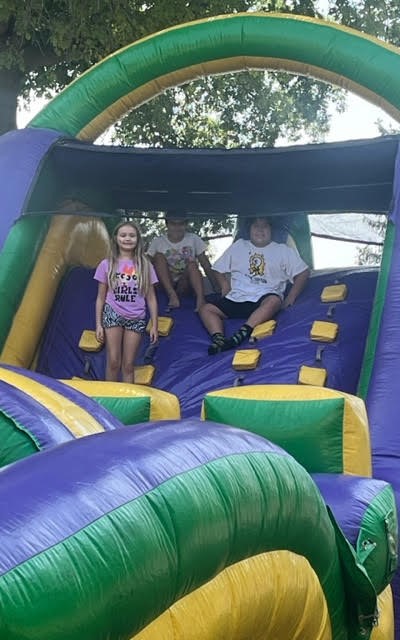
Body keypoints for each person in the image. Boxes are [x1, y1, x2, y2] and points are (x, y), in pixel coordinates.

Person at [199, 217, 310, 355]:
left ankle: (241, 334)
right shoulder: (239, 246)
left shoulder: (282, 250)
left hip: (263, 299)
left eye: (264, 226)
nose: (260, 230)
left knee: (274, 301)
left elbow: (303, 272)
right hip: (237, 297)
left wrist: (291, 297)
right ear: (249, 230)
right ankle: (219, 338)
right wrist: (225, 286)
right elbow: (217, 268)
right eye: (256, 226)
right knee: (206, 309)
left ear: (271, 230)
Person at [94, 220, 158, 383]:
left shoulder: (144, 265)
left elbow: (151, 297)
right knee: (113, 361)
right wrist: (98, 324)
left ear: (138, 239)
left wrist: (154, 325)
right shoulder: (107, 264)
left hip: (136, 316)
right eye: (123, 235)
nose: (127, 239)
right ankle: (111, 398)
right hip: (113, 312)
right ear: (116, 238)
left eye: (132, 235)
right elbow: (100, 297)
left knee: (129, 364)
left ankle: (127, 402)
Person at [147, 212, 219, 311]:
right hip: (165, 284)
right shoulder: (158, 241)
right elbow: (146, 264)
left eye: (181, 224)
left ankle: (201, 300)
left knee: (192, 264)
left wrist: (216, 287)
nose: (177, 227)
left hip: (185, 284)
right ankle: (172, 295)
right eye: (173, 224)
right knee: (158, 257)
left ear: (186, 225)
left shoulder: (193, 239)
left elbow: (205, 264)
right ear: (167, 225)